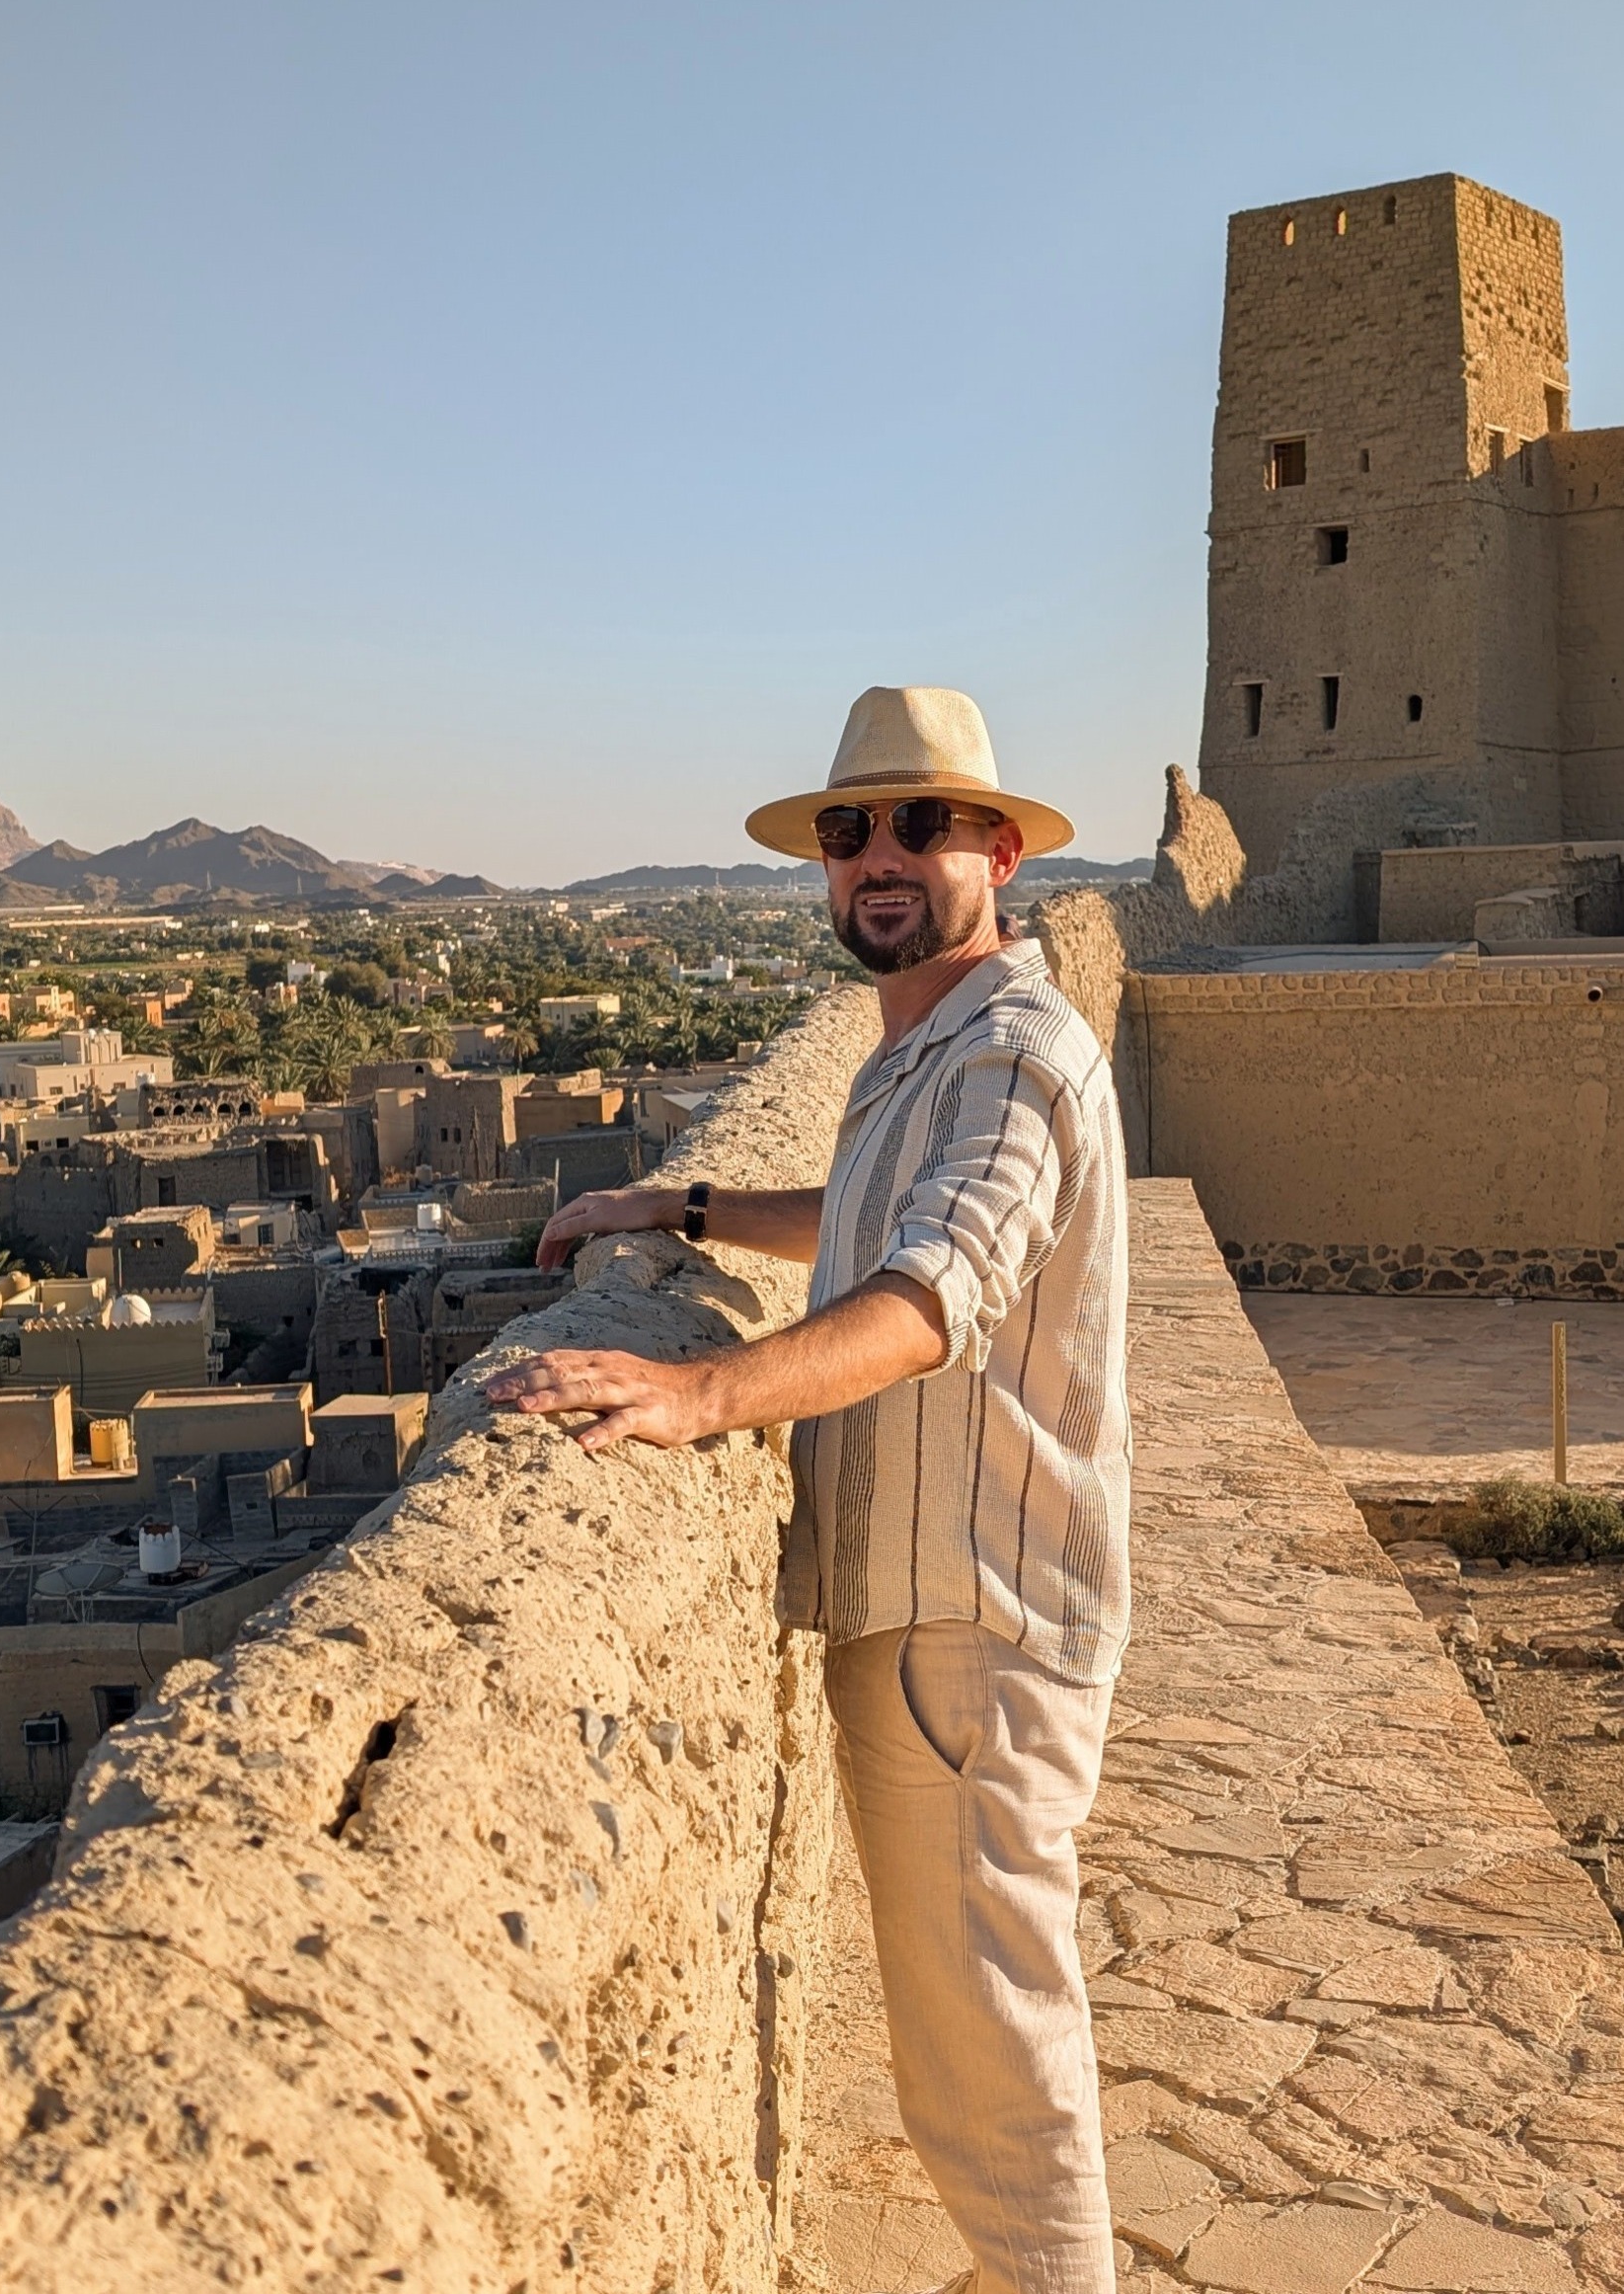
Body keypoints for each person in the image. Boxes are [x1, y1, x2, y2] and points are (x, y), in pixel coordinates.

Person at [486, 685, 1129, 2294]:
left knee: (993, 2080)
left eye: (921, 826)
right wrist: (687, 1207)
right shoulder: (926, 1048)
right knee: (974, 2052)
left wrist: (697, 1393)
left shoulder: (1008, 1057)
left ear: (1000, 851)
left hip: (967, 1628)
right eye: (850, 832)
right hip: (934, 1616)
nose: (878, 859)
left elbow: (929, 1293)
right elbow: (866, 1219)